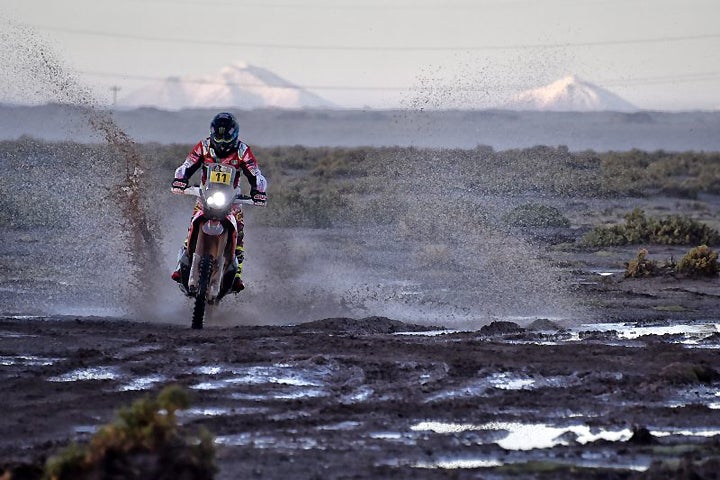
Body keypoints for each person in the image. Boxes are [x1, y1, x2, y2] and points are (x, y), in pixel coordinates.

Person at [170, 112, 267, 292]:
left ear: (234, 133)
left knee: (239, 232)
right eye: (218, 133)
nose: (221, 139)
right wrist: (180, 180)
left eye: (226, 134)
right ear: (213, 131)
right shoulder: (204, 146)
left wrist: (258, 191)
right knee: (193, 223)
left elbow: (255, 174)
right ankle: (180, 265)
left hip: (231, 198)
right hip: (205, 194)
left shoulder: (242, 151)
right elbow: (186, 165)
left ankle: (237, 275)